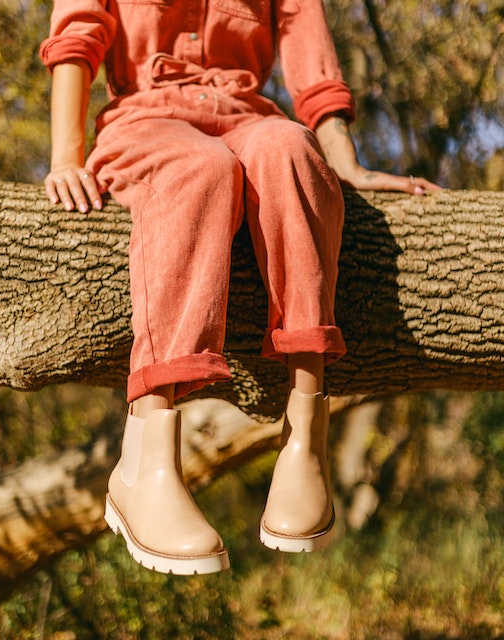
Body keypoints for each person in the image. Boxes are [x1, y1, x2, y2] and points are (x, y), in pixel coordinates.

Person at [40, 0, 439, 576]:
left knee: (293, 153)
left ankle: (305, 439)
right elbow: (77, 35)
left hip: (249, 115)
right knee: (199, 170)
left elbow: (308, 41)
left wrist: (344, 162)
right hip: (144, 121)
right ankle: (144, 460)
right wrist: (63, 157)